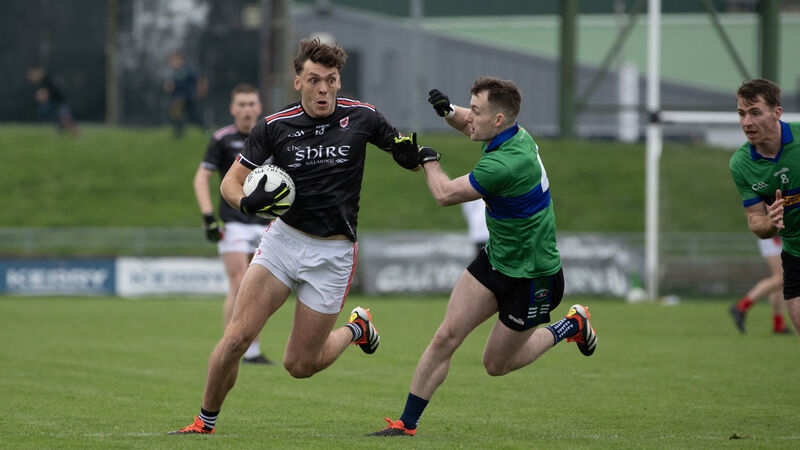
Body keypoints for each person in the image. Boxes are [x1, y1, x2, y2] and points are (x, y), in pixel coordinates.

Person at [169, 37, 422, 435]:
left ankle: (357, 328)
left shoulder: (363, 117)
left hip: (334, 253)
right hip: (283, 243)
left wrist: (411, 158)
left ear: (340, 81)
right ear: (297, 82)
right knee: (236, 338)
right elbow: (230, 184)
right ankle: (204, 421)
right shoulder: (273, 126)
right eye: (315, 80)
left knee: (299, 366)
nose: (324, 89)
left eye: (332, 80)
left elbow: (403, 151)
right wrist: (247, 203)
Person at [367, 78, 598, 437]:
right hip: (496, 261)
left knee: (495, 364)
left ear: (499, 119)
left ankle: (571, 326)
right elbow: (470, 125)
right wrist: (448, 113)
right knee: (446, 336)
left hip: (533, 276)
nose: (468, 117)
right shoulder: (508, 134)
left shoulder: (506, 163)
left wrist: (426, 158)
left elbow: (443, 194)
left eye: (475, 110)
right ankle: (405, 424)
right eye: (470, 108)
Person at [193, 83, 275, 364]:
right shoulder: (222, 138)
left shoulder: (270, 136)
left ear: (259, 107)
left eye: (251, 103)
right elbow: (201, 178)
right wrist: (208, 218)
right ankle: (231, 346)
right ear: (232, 109)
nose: (246, 109)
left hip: (265, 222)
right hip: (233, 222)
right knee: (239, 282)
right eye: (241, 104)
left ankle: (252, 349)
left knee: (259, 287)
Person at [729, 78, 800, 339]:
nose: (747, 121)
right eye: (741, 113)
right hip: (794, 254)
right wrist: (770, 223)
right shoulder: (741, 164)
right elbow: (754, 220)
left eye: (755, 112)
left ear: (776, 112)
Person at [729, 237, 791, 334]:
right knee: (780, 278)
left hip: (781, 236)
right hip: (774, 235)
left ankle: (779, 325)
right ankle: (741, 306)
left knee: (780, 282)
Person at [25, 64, 79, 137]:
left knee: (65, 119)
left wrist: (41, 95)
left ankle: (77, 136)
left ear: (37, 72)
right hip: (54, 102)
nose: (32, 78)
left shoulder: (47, 79)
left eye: (32, 75)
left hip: (61, 101)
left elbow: (48, 93)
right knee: (57, 118)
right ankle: (60, 133)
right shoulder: (44, 80)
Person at [163, 51, 207, 138]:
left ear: (181, 60)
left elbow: (199, 79)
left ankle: (180, 132)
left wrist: (200, 91)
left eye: (175, 61)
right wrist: (168, 86)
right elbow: (170, 84)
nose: (173, 63)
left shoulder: (187, 70)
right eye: (172, 61)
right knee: (189, 115)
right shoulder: (173, 73)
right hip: (178, 97)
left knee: (177, 112)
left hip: (187, 96)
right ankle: (204, 129)